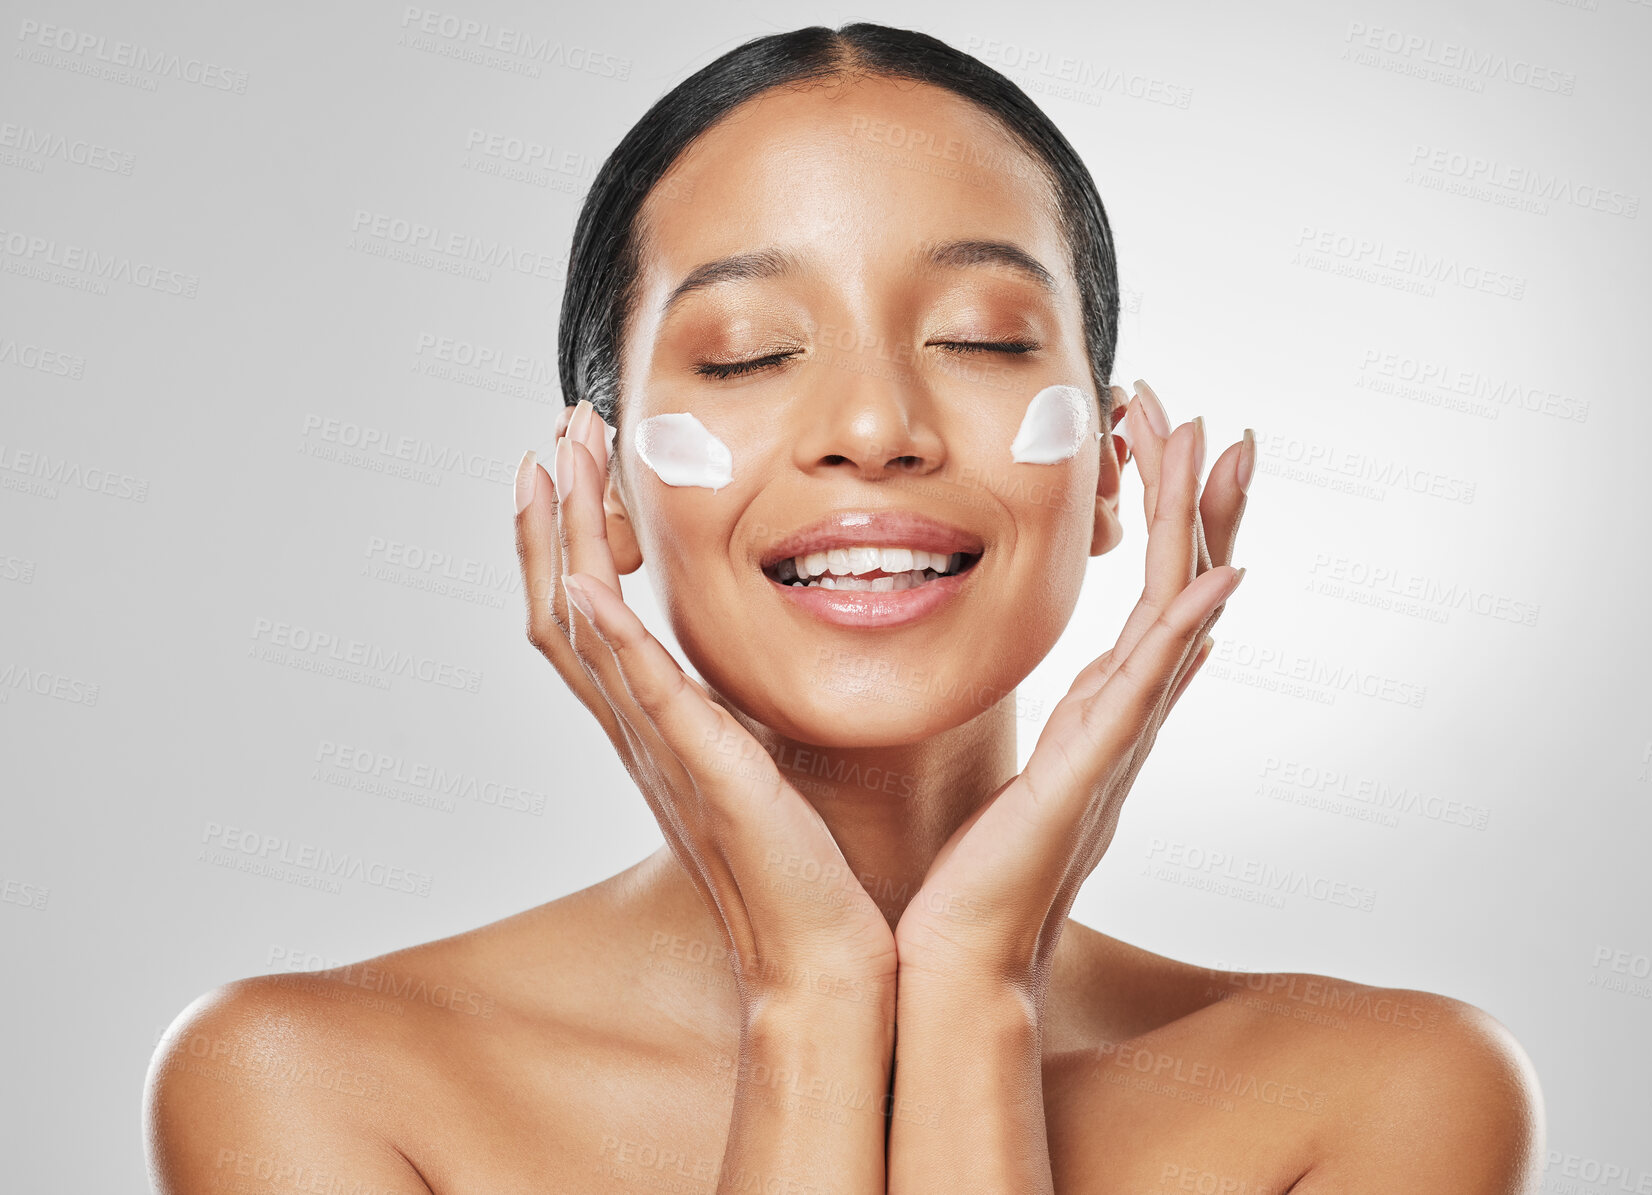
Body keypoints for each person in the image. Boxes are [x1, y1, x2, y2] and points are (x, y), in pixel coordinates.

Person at [145, 23, 1543, 1193]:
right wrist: (813, 988)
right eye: (749, 354)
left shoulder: (1382, 1099)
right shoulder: (315, 1085)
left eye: (981, 339)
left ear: (1117, 471)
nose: (872, 424)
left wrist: (970, 991)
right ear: (605, 484)